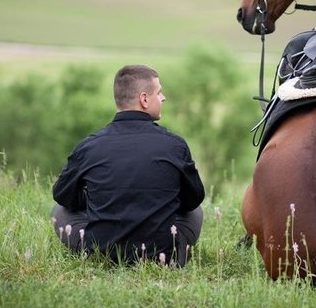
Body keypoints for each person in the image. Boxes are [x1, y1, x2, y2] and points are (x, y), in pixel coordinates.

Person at [50, 64, 205, 267]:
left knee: (59, 211)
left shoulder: (88, 146)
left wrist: (96, 199)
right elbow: (193, 200)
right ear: (144, 99)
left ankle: (95, 255)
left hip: (101, 252)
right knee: (196, 211)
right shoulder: (175, 145)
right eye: (159, 92)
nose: (163, 97)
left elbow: (62, 196)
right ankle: (171, 254)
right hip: (164, 256)